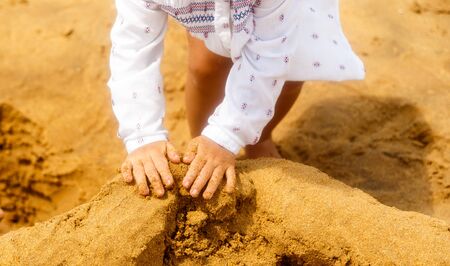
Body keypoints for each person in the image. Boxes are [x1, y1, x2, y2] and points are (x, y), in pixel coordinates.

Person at [108, 0, 365, 200]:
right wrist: (143, 137)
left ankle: (259, 138)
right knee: (205, 66)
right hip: (206, 12)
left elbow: (270, 56)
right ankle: (201, 147)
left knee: (290, 70)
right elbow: (132, 51)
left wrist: (228, 135)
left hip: (281, 14)